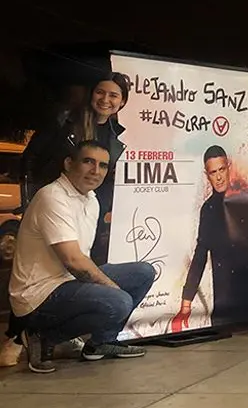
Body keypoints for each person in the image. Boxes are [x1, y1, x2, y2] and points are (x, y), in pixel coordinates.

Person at [10, 141, 154, 373]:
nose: (96, 171)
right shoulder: (52, 197)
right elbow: (74, 261)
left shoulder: (91, 200)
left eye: (103, 165)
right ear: (69, 163)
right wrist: (111, 288)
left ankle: (100, 343)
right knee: (118, 302)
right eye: (88, 161)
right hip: (38, 294)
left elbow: (82, 260)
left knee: (143, 272)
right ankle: (44, 335)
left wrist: (107, 286)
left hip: (67, 283)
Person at [23, 73, 131, 266]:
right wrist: (29, 201)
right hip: (58, 206)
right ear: (91, 94)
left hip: (91, 212)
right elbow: (30, 160)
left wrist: (106, 208)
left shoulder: (116, 136)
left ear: (122, 102)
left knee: (87, 264)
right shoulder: (64, 122)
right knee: (52, 264)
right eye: (100, 92)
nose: (105, 100)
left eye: (113, 95)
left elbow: (107, 177)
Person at [170, 145, 248, 333]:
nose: (218, 177)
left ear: (229, 166)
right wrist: (186, 304)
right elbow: (200, 255)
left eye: (221, 170)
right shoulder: (208, 209)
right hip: (224, 304)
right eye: (213, 172)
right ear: (206, 174)